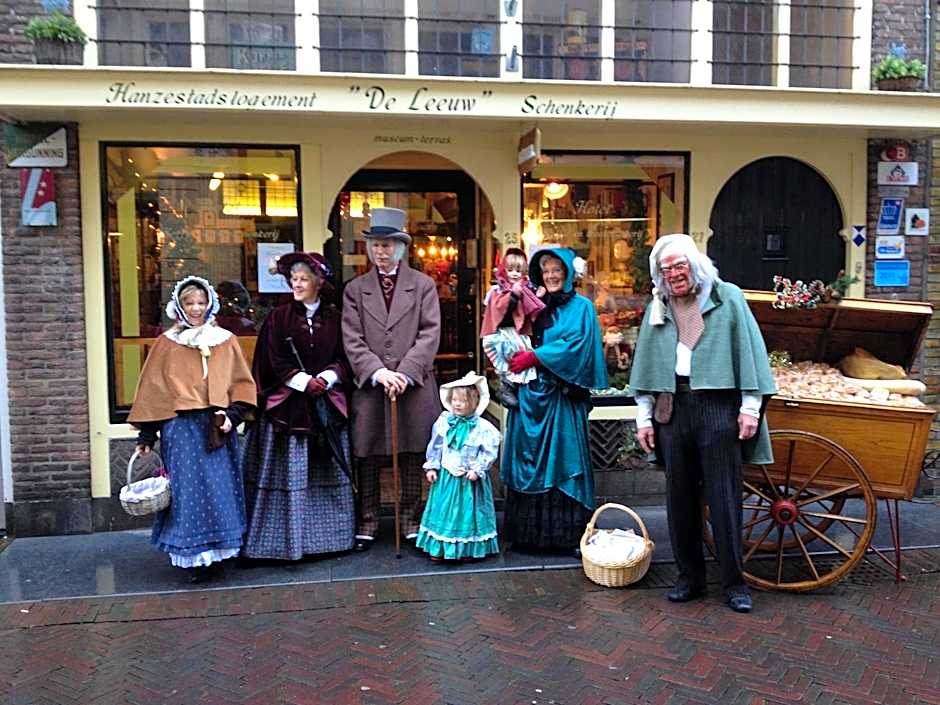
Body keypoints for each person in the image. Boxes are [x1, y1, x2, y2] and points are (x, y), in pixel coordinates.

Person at [629, 233, 776, 614]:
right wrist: (644, 416)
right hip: (673, 408)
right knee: (679, 499)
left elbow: (749, 352)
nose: (674, 274)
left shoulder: (728, 297)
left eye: (680, 265)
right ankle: (689, 578)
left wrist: (750, 408)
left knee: (725, 498)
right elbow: (645, 363)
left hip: (717, 407)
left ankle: (734, 583)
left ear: (694, 264)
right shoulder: (658, 305)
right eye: (666, 269)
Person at [128, 276, 256, 582]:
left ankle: (222, 550)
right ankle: (194, 556)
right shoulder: (167, 343)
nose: (196, 309)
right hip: (181, 429)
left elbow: (241, 383)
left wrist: (233, 415)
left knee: (220, 488)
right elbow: (153, 390)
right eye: (189, 303)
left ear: (210, 304)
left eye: (201, 303)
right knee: (187, 493)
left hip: (216, 426)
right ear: (179, 307)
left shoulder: (225, 340)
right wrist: (147, 434)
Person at [241, 252, 355, 560]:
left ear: (319, 282)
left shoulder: (335, 318)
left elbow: (346, 357)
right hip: (289, 407)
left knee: (325, 468)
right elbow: (270, 358)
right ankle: (282, 543)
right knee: (289, 473)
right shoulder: (279, 318)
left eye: (304, 279)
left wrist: (329, 377)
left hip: (326, 406)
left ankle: (331, 540)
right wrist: (302, 381)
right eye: (294, 279)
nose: (297, 284)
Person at [342, 207, 442, 551]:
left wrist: (404, 372)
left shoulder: (424, 285)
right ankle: (367, 520)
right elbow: (351, 338)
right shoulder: (355, 289)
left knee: (414, 452)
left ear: (401, 248)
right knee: (367, 452)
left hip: (412, 384)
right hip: (372, 386)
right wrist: (378, 372)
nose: (381, 251)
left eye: (387, 245)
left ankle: (412, 519)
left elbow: (430, 333)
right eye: (376, 245)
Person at [499, 247, 608, 555]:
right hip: (530, 398)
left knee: (564, 459)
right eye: (546, 271)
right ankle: (529, 536)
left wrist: (536, 356)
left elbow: (579, 346)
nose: (551, 275)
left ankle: (567, 535)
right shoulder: (531, 305)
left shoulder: (583, 308)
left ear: (569, 273)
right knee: (527, 461)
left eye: (557, 270)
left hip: (561, 400)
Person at [416, 373, 501, 561]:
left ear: (474, 402)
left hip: (468, 479)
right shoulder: (444, 422)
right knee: (444, 510)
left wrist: (478, 469)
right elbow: (436, 446)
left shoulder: (483, 428)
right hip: (447, 477)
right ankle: (440, 547)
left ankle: (467, 548)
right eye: (454, 400)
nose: (457, 404)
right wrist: (432, 466)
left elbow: (488, 451)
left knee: (467, 513)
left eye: (462, 401)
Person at [480, 247, 545, 407]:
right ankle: (505, 386)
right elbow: (499, 308)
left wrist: (537, 296)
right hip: (501, 332)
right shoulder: (498, 289)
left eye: (518, 270)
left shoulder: (525, 288)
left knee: (520, 357)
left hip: (518, 332)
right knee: (506, 358)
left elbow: (532, 306)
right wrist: (514, 295)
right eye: (510, 270)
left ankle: (513, 387)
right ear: (504, 270)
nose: (514, 274)